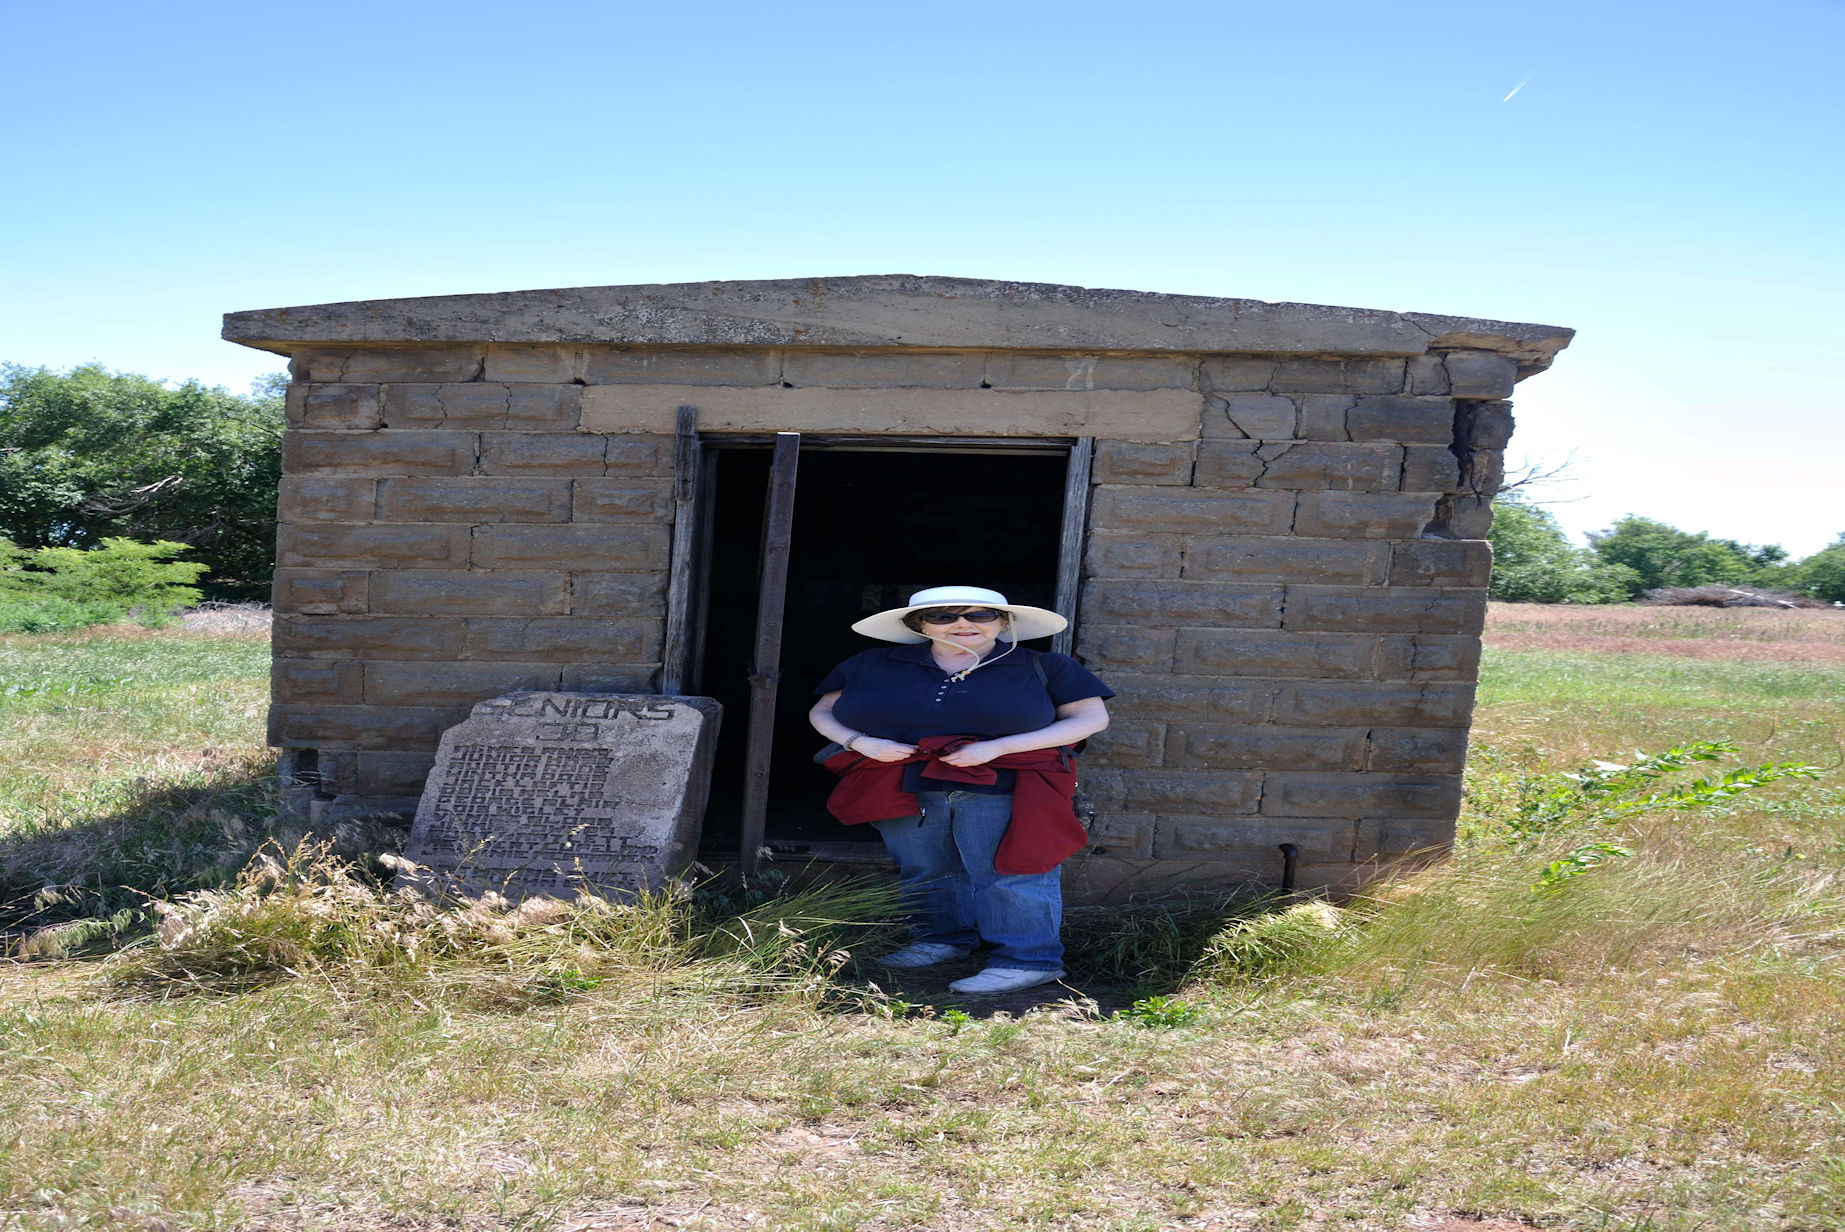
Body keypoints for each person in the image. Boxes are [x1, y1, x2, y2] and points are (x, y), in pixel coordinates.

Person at [808, 585, 1112, 994]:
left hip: (1007, 784)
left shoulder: (1045, 666)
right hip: (904, 782)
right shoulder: (874, 663)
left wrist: (999, 747)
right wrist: (860, 743)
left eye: (980, 615)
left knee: (1010, 870)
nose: (963, 624)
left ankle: (1029, 960)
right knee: (925, 867)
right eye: (945, 616)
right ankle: (939, 941)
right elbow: (823, 710)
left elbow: (1090, 718)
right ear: (919, 624)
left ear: (1003, 623)